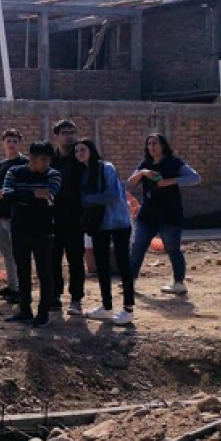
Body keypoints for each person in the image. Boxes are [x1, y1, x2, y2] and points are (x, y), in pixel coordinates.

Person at [127, 133, 202, 295]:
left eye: (155, 143)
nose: (152, 147)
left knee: (172, 248)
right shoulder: (145, 164)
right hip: (147, 214)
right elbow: (130, 183)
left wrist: (171, 181)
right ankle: (130, 281)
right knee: (138, 246)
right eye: (149, 144)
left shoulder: (174, 163)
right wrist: (142, 173)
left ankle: (179, 283)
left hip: (170, 214)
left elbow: (195, 178)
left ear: (163, 145)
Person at [0, 141, 61, 327]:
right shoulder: (15, 172)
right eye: (43, 159)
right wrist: (33, 195)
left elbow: (50, 195)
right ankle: (25, 310)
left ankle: (43, 314)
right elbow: (7, 195)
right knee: (22, 271)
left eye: (49, 159)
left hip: (43, 231)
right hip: (19, 230)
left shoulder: (53, 174)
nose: (46, 163)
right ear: (32, 158)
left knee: (44, 272)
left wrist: (23, 197)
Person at [75, 139, 135, 325]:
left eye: (83, 149)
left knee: (123, 265)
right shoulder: (84, 173)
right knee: (102, 266)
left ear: (92, 150)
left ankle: (128, 308)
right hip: (99, 225)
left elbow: (114, 195)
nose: (79, 153)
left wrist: (86, 200)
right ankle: (107, 307)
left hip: (118, 222)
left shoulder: (106, 168)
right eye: (76, 151)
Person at [49, 119, 86, 315]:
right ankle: (55, 295)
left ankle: (76, 298)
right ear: (56, 136)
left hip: (74, 218)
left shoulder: (80, 157)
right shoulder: (50, 159)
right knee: (53, 258)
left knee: (75, 260)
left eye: (72, 132)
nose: (69, 136)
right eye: (64, 132)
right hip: (53, 218)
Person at [0, 129, 28, 303]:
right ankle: (12, 286)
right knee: (6, 252)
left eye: (14, 141)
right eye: (8, 141)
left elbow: (26, 189)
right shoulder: (1, 165)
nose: (11, 144)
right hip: (1, 214)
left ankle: (22, 289)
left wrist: (4, 193)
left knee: (20, 252)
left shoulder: (25, 164)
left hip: (17, 215)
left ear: (20, 143)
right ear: (3, 143)